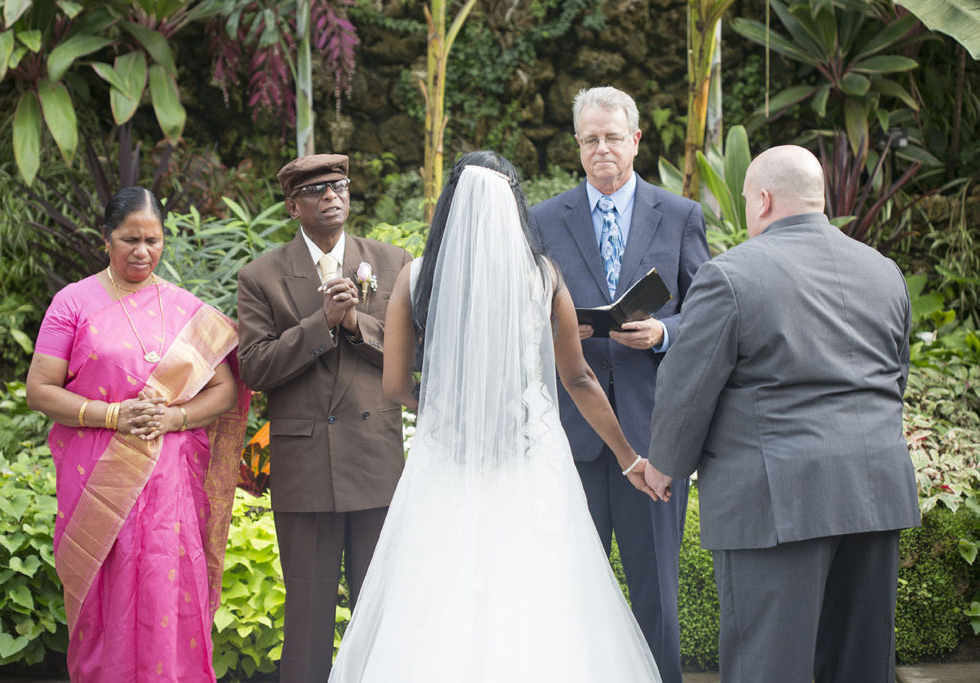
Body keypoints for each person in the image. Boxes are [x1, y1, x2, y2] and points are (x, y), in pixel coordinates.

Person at [329, 151, 666, 682]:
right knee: (542, 602)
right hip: (531, 465)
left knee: (438, 600)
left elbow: (395, 386)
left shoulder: (416, 279)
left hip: (445, 469)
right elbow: (578, 380)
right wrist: (629, 458)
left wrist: (444, 407)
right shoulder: (543, 276)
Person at [644, 145, 921, 682]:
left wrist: (664, 464)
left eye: (747, 201)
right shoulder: (885, 272)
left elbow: (688, 384)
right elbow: (896, 378)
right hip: (876, 492)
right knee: (861, 665)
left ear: (763, 200)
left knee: (767, 666)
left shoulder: (731, 276)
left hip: (779, 504)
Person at [25, 186, 250, 682]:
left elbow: (225, 391)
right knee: (102, 593)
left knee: (166, 587)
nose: (142, 251)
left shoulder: (186, 309)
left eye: (153, 240)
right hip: (96, 479)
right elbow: (39, 390)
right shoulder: (73, 303)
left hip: (169, 486)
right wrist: (112, 416)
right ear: (106, 238)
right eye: (130, 239)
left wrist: (174, 418)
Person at [530, 85, 709, 683]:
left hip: (653, 434)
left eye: (611, 136)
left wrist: (663, 333)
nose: (601, 148)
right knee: (571, 588)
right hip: (571, 436)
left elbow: (708, 312)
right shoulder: (544, 219)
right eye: (589, 139)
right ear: (576, 147)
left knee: (656, 590)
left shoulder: (679, 214)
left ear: (635, 140)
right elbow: (528, 314)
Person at [236, 154, 410, 683]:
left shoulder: (391, 261)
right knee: (307, 614)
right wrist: (321, 323)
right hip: (306, 464)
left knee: (377, 610)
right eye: (315, 191)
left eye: (338, 186)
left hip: (374, 458)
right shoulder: (261, 275)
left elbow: (414, 353)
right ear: (293, 206)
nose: (331, 196)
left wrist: (356, 323)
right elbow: (254, 368)